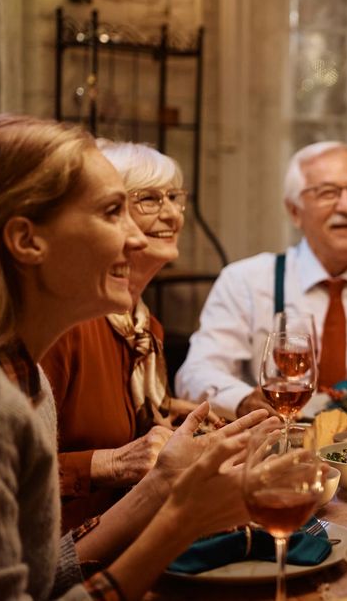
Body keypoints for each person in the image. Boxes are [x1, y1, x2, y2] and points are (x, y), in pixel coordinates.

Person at [0, 114, 273, 599]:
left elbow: (44, 578)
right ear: (27, 240)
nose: (136, 236)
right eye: (113, 211)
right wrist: (179, 521)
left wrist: (164, 484)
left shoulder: (24, 380)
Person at [175, 141, 347, 419]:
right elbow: (195, 374)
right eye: (327, 193)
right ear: (295, 211)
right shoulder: (245, 281)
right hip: (282, 448)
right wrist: (245, 400)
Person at [41, 140, 218, 531]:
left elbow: (139, 420)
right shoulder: (67, 326)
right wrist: (115, 463)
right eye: (148, 200)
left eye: (174, 197)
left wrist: (199, 416)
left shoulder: (143, 326)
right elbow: (13, 473)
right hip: (66, 550)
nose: (171, 214)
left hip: (131, 528)